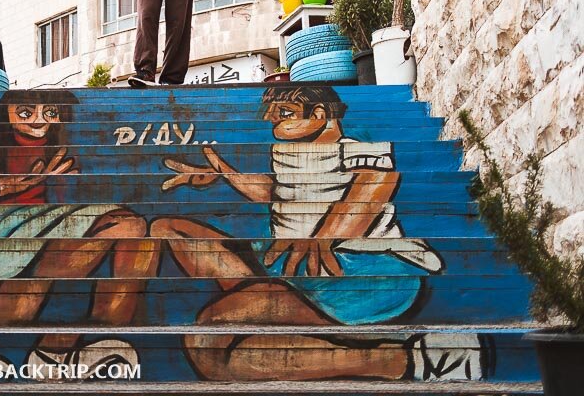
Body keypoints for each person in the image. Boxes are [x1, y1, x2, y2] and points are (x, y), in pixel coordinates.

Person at [151, 85, 485, 382]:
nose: (273, 122)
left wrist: (321, 237)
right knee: (168, 227)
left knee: (208, 340)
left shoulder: (358, 145)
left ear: (321, 114)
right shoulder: (290, 153)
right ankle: (270, 300)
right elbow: (276, 191)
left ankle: (408, 359)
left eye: (283, 114)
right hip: (292, 262)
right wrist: (224, 173)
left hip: (362, 269)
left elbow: (373, 188)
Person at [0, 90, 160, 379]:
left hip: (29, 222)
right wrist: (10, 187)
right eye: (27, 110)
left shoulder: (54, 142)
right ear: (7, 110)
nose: (40, 118)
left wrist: (60, 185)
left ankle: (64, 349)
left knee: (131, 227)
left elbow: (51, 199)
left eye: (49, 111)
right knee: (58, 249)